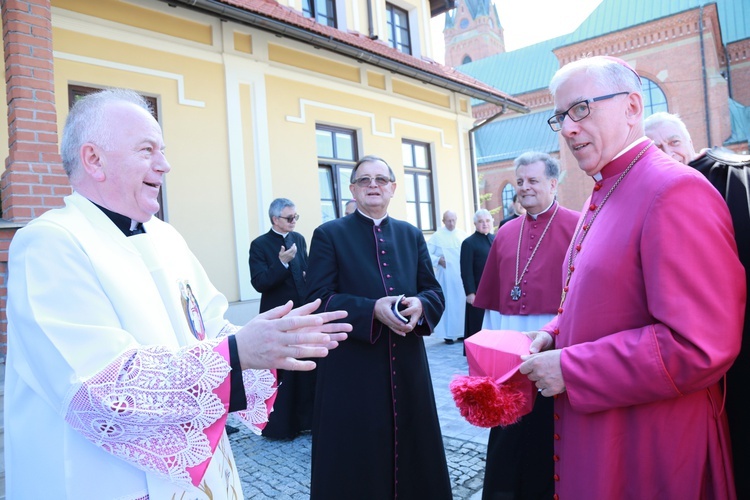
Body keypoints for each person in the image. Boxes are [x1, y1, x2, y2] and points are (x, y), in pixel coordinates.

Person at [4, 88, 350, 500]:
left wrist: (273, 340)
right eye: (147, 149)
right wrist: (238, 351)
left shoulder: (165, 236)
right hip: (104, 481)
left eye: (162, 150)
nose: (164, 165)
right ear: (93, 159)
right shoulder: (49, 243)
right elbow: (95, 387)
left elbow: (209, 325)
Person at [519, 56, 745, 499]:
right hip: (609, 434)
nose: (567, 128)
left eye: (581, 109)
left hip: (653, 447)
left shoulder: (675, 189)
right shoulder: (601, 192)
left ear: (632, 107)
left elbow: (701, 345)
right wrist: (553, 333)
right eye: (560, 116)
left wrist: (572, 368)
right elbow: (602, 300)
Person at [305, 155, 452, 499]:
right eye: (365, 180)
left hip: (407, 363)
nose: (374, 185)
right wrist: (371, 310)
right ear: (353, 189)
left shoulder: (410, 234)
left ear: (393, 189)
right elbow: (317, 298)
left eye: (381, 180)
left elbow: (432, 289)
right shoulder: (329, 234)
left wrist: (421, 304)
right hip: (353, 369)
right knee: (356, 454)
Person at [645, 110, 750, 498]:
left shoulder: (725, 177)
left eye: (674, 142)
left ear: (691, 143)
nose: (668, 152)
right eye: (655, 146)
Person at [473, 152, 579, 500]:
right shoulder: (505, 233)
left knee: (550, 429)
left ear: (552, 183)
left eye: (533, 180)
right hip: (509, 344)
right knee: (510, 426)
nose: (524, 188)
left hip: (555, 341)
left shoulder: (577, 225)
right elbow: (494, 301)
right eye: (520, 182)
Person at [249, 198, 314, 439]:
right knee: (282, 372)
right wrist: (282, 263)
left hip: (302, 314)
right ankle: (282, 426)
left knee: (304, 368)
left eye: (296, 217)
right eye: (289, 218)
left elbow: (305, 269)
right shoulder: (259, 245)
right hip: (277, 317)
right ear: (275, 219)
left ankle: (306, 420)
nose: (294, 221)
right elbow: (259, 283)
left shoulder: (298, 239)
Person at [427, 210, 467, 344]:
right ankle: (448, 335)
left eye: (454, 220)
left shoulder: (462, 235)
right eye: (449, 220)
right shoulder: (437, 236)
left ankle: (461, 332)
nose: (452, 223)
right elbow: (426, 254)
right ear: (443, 221)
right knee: (448, 303)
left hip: (460, 276)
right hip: (445, 277)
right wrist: (438, 260)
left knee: (461, 303)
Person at [459, 208, 494, 347]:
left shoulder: (495, 239)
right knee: (477, 324)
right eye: (480, 221)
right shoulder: (469, 243)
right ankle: (476, 351)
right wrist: (470, 293)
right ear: (475, 224)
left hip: (494, 291)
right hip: (477, 291)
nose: (484, 224)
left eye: (487, 221)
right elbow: (466, 270)